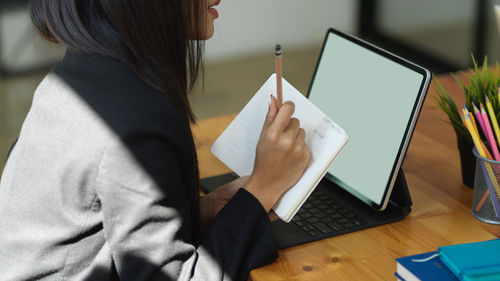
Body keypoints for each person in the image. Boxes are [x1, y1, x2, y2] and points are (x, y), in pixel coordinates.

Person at [0, 1, 311, 280]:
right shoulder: (135, 122)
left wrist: (204, 210)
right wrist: (263, 188)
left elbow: (105, 220)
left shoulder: (82, 72)